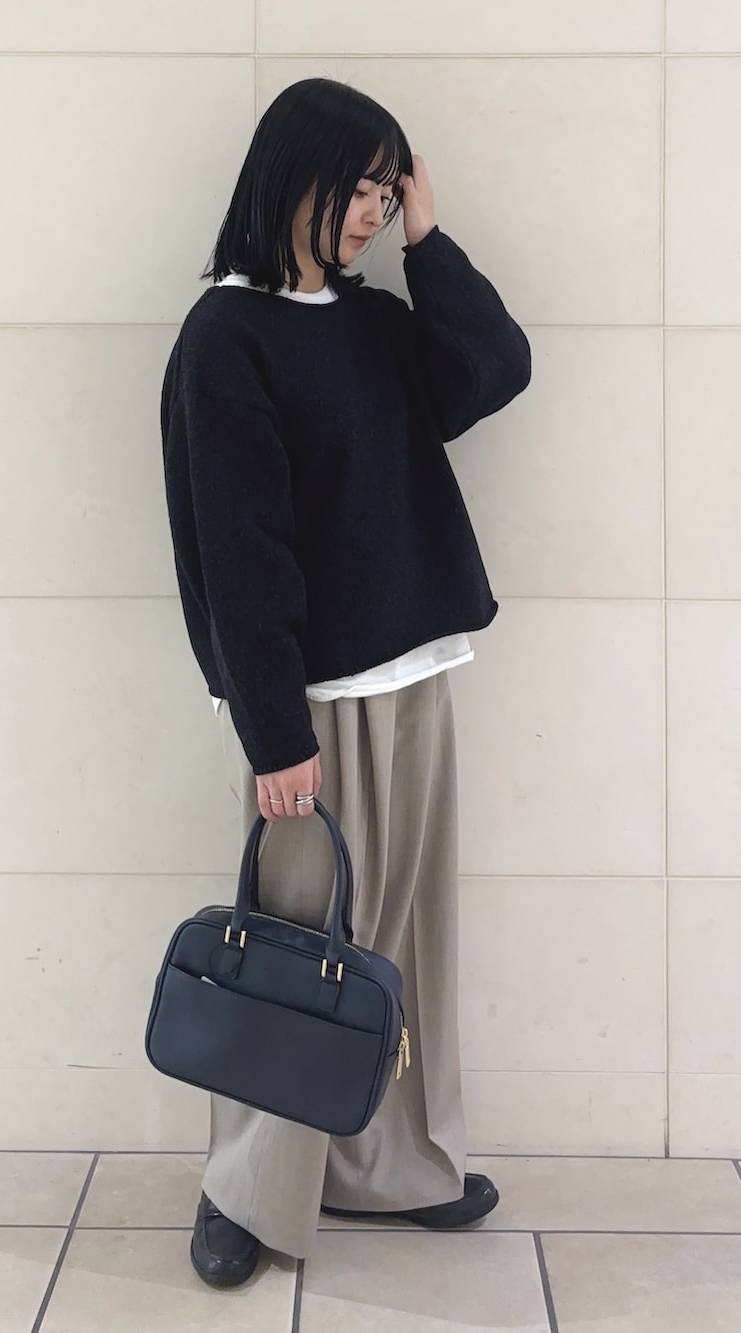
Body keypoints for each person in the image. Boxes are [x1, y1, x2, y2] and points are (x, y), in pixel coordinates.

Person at [160, 76, 531, 1288]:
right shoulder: (228, 334)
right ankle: (247, 1193)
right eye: (359, 188)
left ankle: (393, 1163)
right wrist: (273, 732)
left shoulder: (369, 321)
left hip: (415, 673)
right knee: (290, 947)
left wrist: (430, 234)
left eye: (385, 187)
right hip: (312, 705)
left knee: (400, 941)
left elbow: (495, 366)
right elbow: (237, 556)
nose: (372, 209)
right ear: (294, 179)